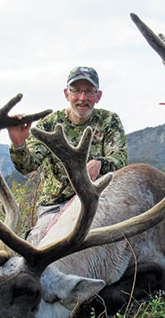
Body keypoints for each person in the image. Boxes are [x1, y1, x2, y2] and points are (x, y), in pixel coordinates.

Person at [8, 66, 128, 241]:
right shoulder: (49, 124)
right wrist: (19, 144)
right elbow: (27, 166)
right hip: (55, 206)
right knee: (38, 245)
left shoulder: (109, 121)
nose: (82, 98)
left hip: (95, 203)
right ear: (67, 94)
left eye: (89, 92)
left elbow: (120, 159)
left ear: (98, 96)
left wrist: (100, 163)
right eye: (76, 91)